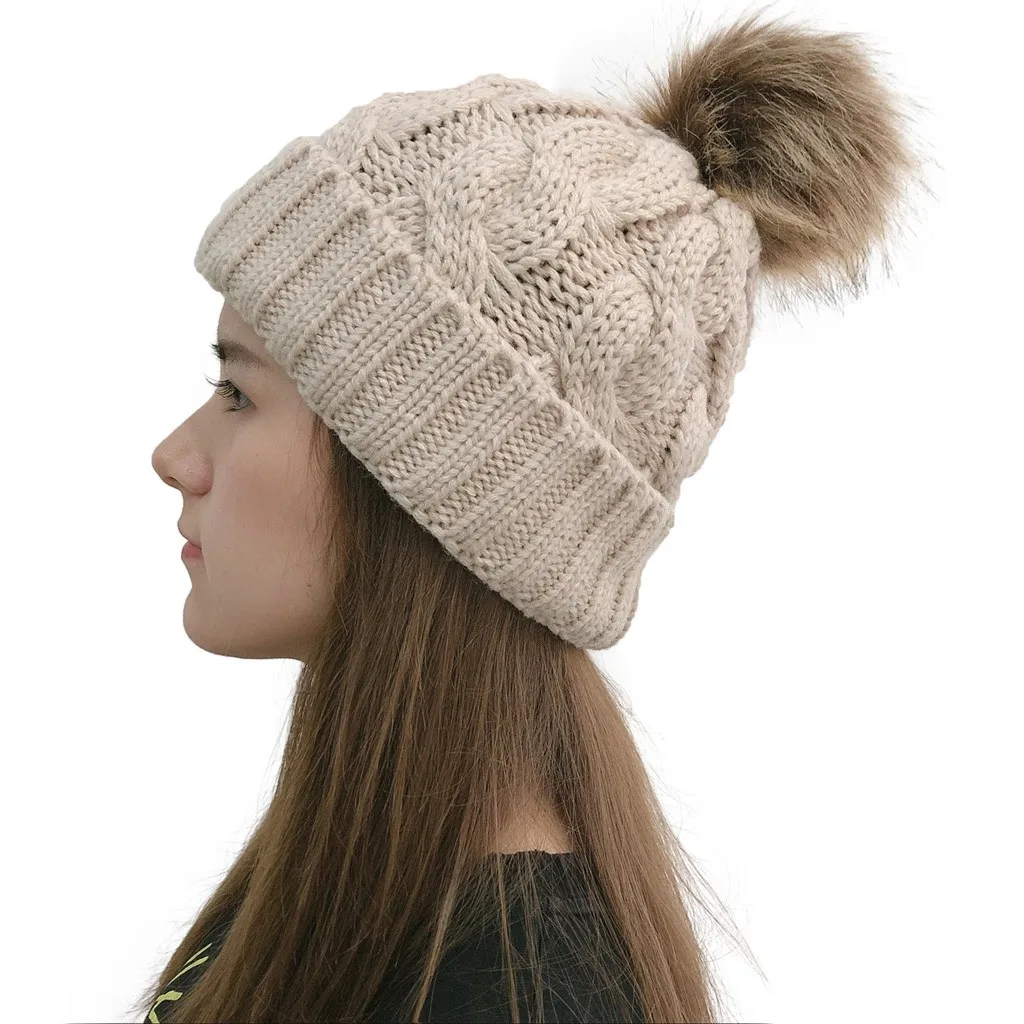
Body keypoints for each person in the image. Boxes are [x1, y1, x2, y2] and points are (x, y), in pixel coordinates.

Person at [139, 7, 930, 1022]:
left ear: (429, 473)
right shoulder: (364, 887)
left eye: (239, 393)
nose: (176, 457)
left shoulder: (514, 995)